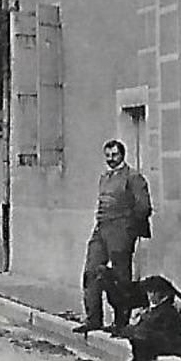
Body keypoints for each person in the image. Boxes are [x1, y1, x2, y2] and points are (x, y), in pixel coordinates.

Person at [73, 140, 152, 337]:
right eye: (107, 155)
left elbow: (144, 207)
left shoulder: (133, 177)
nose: (110, 159)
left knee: (120, 277)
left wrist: (127, 229)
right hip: (101, 229)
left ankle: (121, 323)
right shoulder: (105, 177)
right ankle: (93, 319)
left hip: (121, 231)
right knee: (91, 272)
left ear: (122, 155)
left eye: (114, 155)